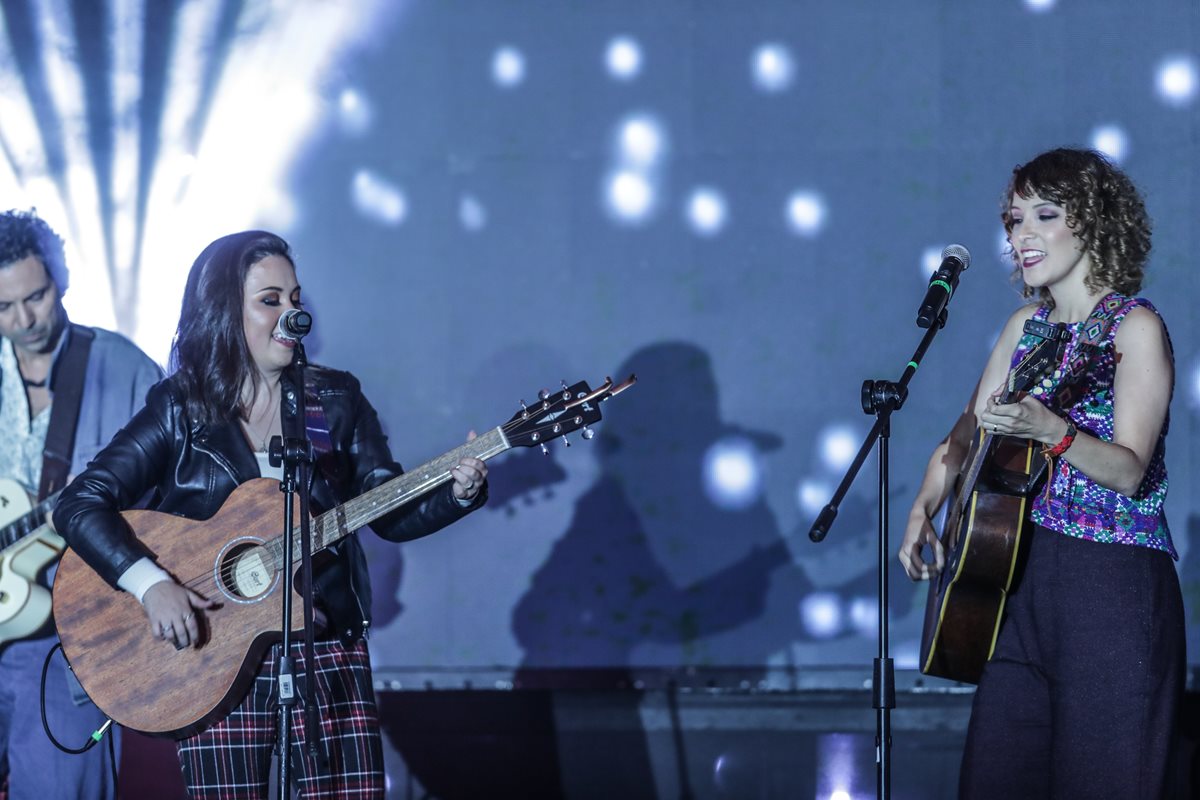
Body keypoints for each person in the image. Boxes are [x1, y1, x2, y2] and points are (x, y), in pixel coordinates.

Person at [52, 230, 488, 798]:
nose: (291, 314)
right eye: (270, 300)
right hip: (215, 654)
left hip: (325, 644)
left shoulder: (334, 400)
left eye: (296, 299)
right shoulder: (180, 407)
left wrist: (456, 493)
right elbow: (80, 503)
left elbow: (387, 509)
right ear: (225, 312)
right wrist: (151, 584)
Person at [898, 148, 1184, 799]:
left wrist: (1053, 433)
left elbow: (1129, 471)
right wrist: (924, 505)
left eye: (1043, 216)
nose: (1020, 237)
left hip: (1108, 585)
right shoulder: (1024, 328)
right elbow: (967, 433)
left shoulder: (1133, 327)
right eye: (1012, 222)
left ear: (1092, 221)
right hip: (1010, 580)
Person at [0, 210, 163, 800]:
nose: (24, 320)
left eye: (36, 297)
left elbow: (175, 494)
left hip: (68, 643)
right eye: (3, 307)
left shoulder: (123, 369)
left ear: (61, 279)